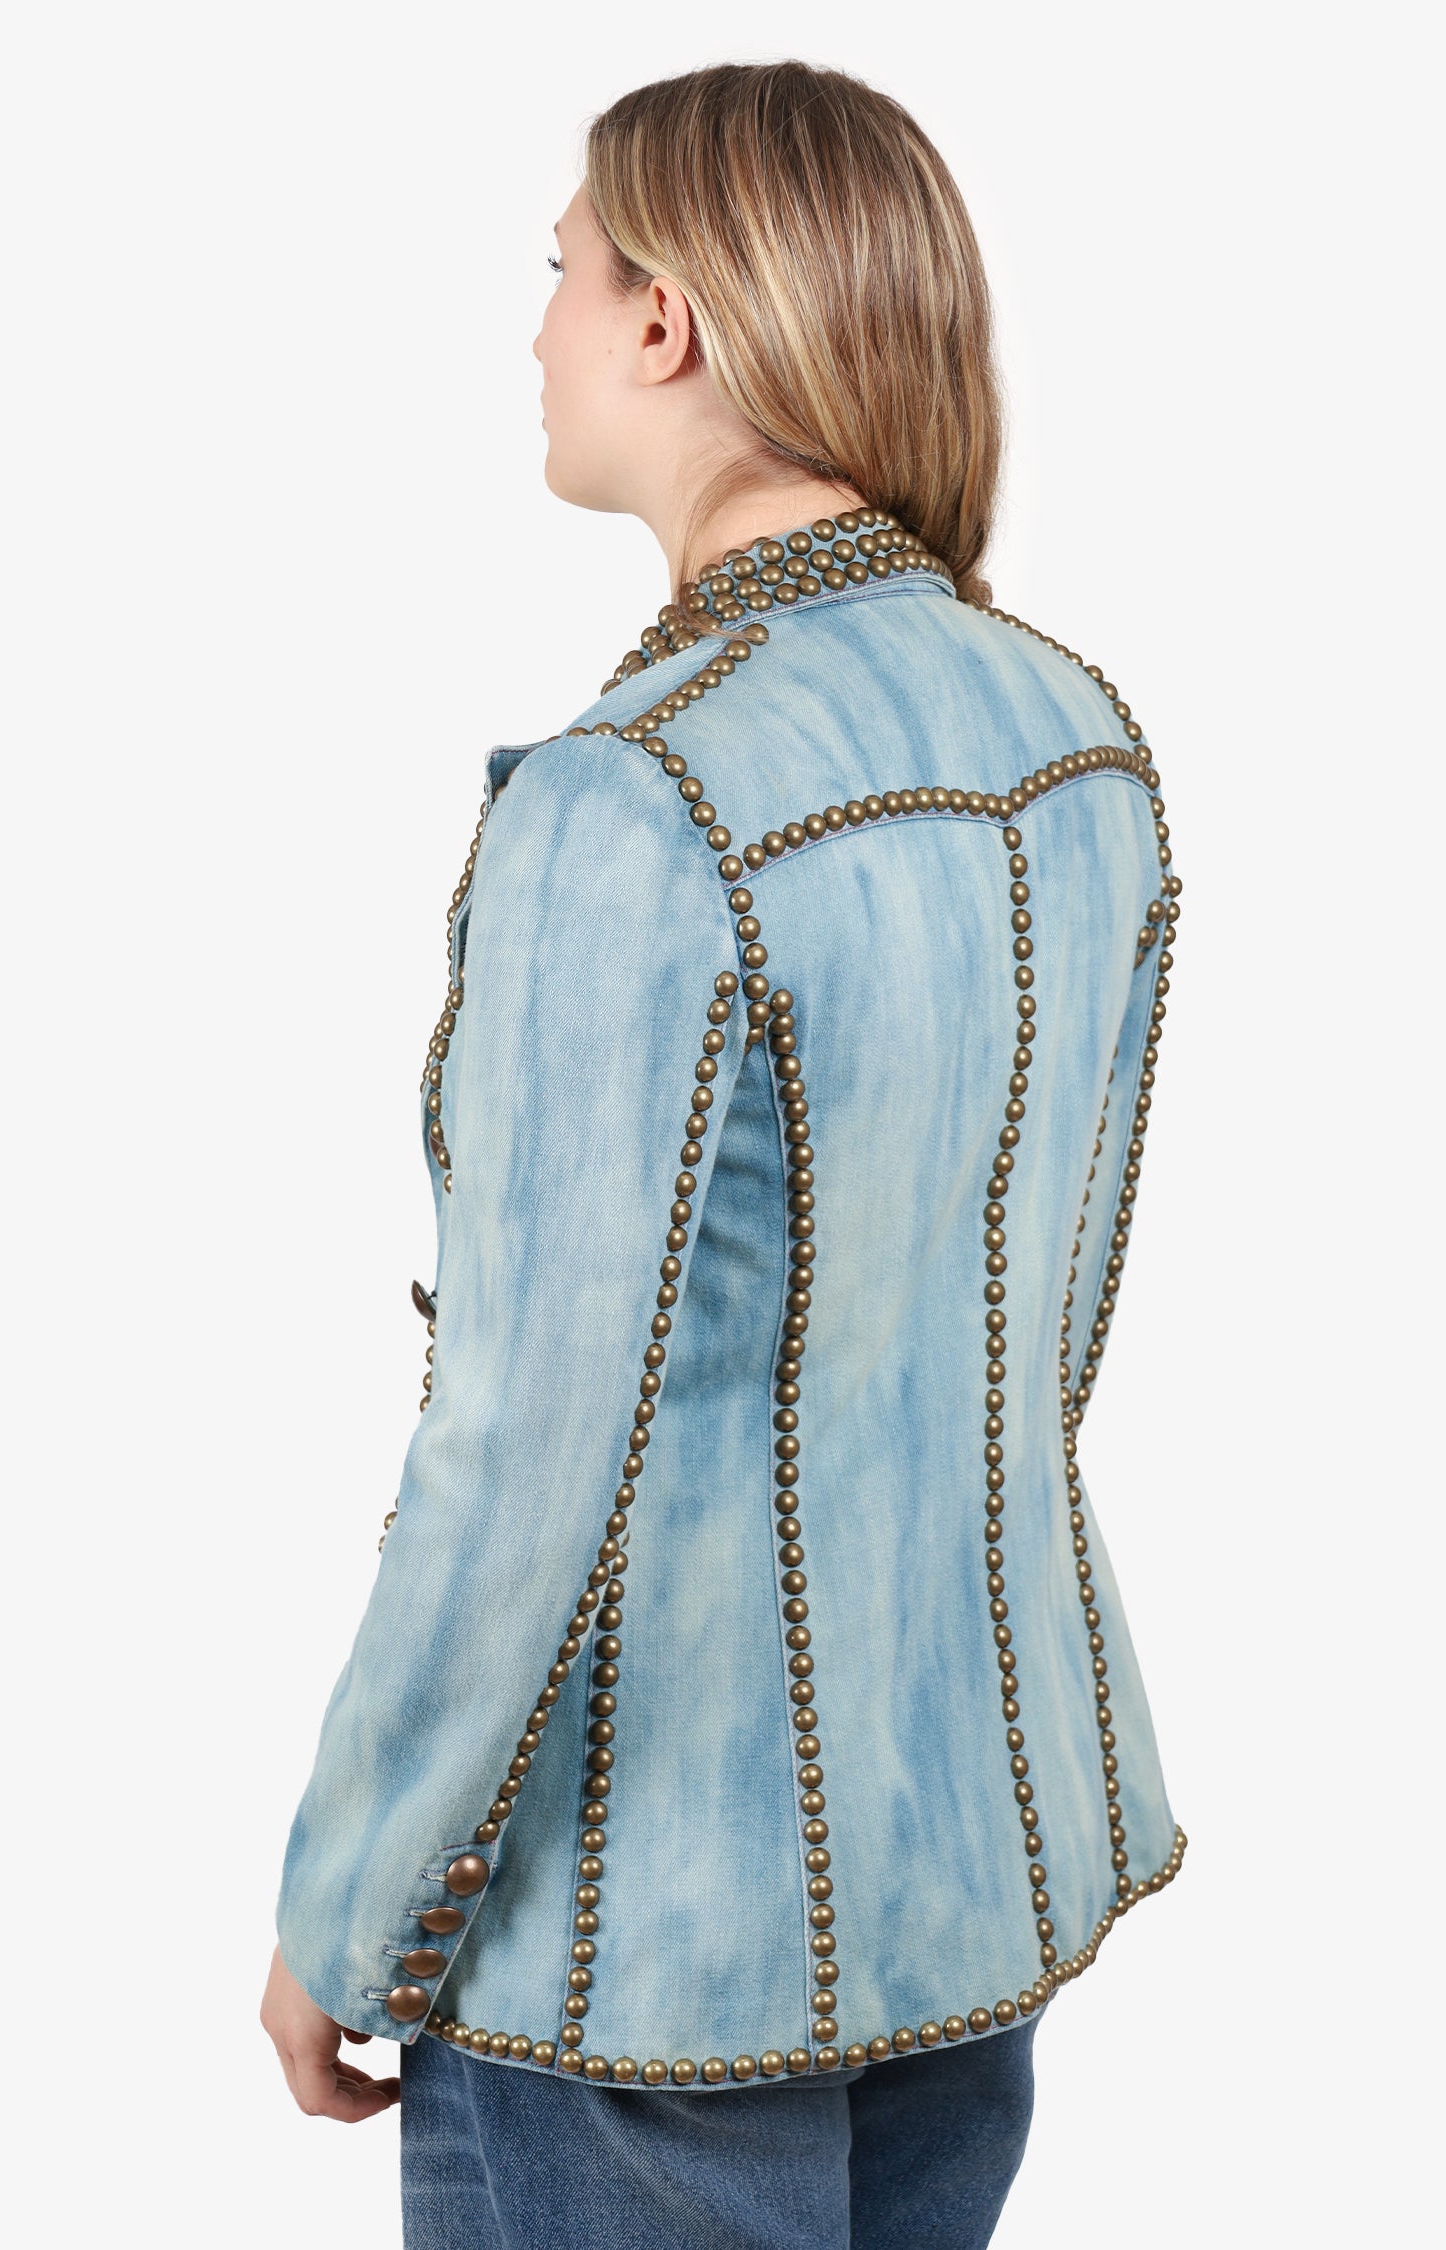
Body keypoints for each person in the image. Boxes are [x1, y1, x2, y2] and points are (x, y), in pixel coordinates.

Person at [260, 58, 1185, 2250]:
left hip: (637, 1951)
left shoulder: (633, 802)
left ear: (668, 321)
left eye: (563, 272)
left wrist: (350, 1896)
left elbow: (521, 1447)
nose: (539, 329)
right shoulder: (1074, 736)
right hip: (964, 1880)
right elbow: (1033, 1340)